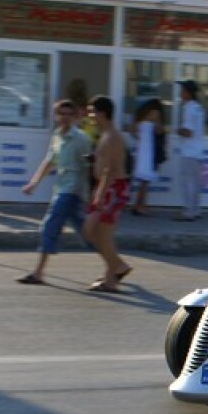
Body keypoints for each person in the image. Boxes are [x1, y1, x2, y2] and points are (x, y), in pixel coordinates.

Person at [16, 100, 94, 285]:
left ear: (75, 117)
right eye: (61, 114)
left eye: (68, 114)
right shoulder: (57, 136)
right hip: (63, 188)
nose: (64, 118)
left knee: (49, 226)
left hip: (72, 190)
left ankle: (38, 272)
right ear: (56, 116)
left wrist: (89, 195)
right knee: (88, 233)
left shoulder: (81, 139)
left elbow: (89, 167)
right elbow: (49, 161)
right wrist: (33, 183)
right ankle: (115, 265)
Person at [82, 95, 133, 293]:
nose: (90, 116)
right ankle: (116, 267)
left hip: (112, 188)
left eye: (92, 112)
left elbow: (110, 170)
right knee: (90, 230)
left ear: (102, 113)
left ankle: (112, 276)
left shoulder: (112, 136)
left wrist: (101, 194)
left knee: (103, 235)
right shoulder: (105, 134)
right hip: (105, 187)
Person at [174, 79, 206, 221]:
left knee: (188, 182)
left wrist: (177, 130)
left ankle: (188, 212)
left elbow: (188, 132)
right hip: (197, 151)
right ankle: (196, 210)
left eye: (182, 90)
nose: (181, 93)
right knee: (195, 183)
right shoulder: (199, 108)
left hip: (189, 151)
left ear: (188, 93)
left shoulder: (189, 108)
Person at [130, 98, 165, 215]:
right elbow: (159, 130)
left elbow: (132, 131)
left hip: (141, 148)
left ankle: (138, 205)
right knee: (145, 181)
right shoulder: (155, 113)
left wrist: (140, 138)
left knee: (142, 180)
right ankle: (140, 206)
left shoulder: (140, 115)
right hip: (149, 148)